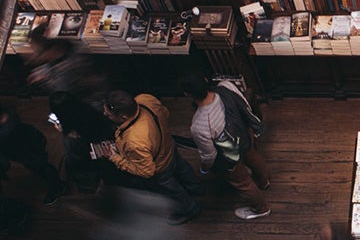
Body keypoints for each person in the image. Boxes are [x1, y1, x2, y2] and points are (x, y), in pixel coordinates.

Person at [181, 69, 271, 220]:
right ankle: (264, 181)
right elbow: (244, 105)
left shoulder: (199, 125)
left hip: (229, 152)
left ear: (186, 93)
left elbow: (209, 155)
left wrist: (204, 169)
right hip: (243, 134)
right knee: (254, 158)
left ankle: (260, 208)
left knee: (242, 182)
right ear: (205, 79)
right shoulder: (226, 87)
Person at [102, 90, 200, 224]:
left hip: (161, 167)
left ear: (124, 117)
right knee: (183, 170)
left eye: (109, 114)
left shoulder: (134, 141)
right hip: (169, 147)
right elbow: (165, 113)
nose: (105, 115)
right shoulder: (146, 99)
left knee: (172, 191)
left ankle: (189, 210)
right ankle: (196, 188)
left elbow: (147, 171)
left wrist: (115, 158)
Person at [48, 90, 115, 193]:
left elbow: (76, 160)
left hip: (88, 167)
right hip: (106, 155)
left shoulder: (72, 138)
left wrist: (64, 132)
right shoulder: (94, 108)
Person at [0, 103, 64, 206]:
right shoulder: (9, 116)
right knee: (39, 166)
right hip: (27, 146)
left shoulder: (7, 127)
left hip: (27, 149)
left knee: (42, 166)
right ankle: (56, 184)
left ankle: (57, 186)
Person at [24, 28, 106, 108]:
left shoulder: (74, 64)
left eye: (37, 53)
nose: (34, 57)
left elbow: (66, 90)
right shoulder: (51, 63)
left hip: (89, 104)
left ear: (50, 50)